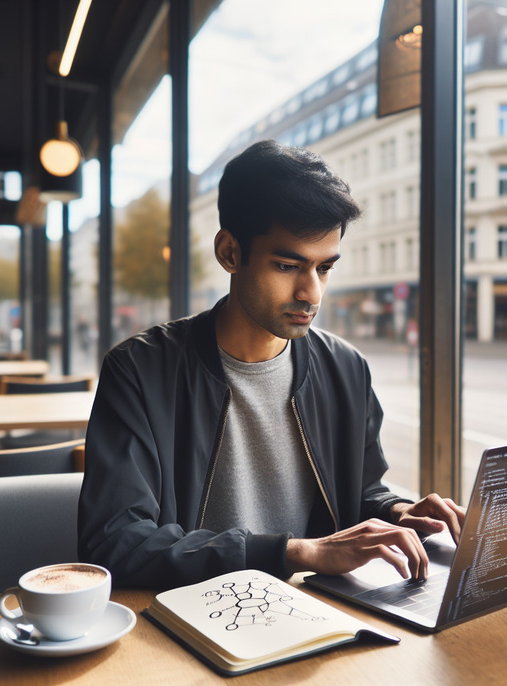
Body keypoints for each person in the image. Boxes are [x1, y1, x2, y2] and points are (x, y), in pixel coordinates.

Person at [78, 140, 465, 590]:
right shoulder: (140, 371)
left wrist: (400, 513)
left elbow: (360, 493)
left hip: (318, 612)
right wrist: (297, 552)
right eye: (287, 265)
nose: (311, 293)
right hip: (191, 615)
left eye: (324, 269)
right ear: (230, 253)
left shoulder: (346, 369)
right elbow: (115, 543)